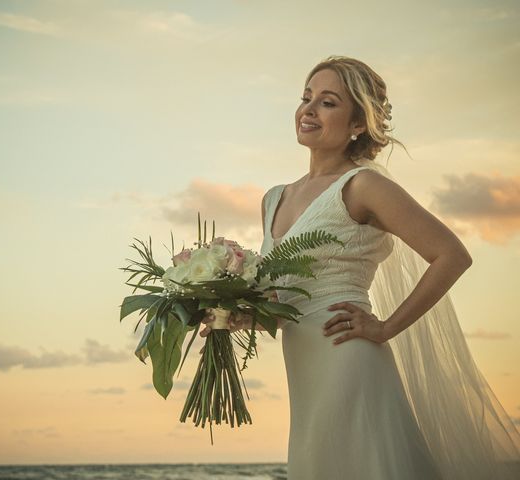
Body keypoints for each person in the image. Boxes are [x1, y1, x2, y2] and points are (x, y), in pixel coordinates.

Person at [200, 55, 520, 479]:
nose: (309, 110)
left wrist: (385, 327)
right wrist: (235, 314)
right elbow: (285, 305)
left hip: (349, 360)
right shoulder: (273, 198)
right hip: (306, 373)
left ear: (357, 124)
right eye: (306, 98)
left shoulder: (364, 186)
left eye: (328, 102)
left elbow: (452, 255)